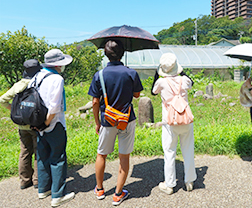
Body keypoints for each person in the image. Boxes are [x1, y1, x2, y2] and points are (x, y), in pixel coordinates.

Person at [88, 40, 143, 206]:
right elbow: (137, 95)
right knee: (124, 156)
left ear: (106, 54)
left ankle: (99, 189)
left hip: (107, 120)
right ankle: (118, 194)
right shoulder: (131, 73)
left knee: (101, 154)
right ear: (122, 54)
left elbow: (95, 102)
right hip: (126, 120)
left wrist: (97, 122)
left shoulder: (100, 75)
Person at [30, 49, 75, 207]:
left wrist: (39, 125)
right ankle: (57, 195)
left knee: (42, 156)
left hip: (37, 123)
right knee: (58, 157)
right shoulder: (57, 78)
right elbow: (54, 106)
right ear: (58, 64)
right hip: (54, 123)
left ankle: (43, 189)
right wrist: (47, 123)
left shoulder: (36, 76)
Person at [151, 53, 197, 195]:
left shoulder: (161, 82)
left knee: (169, 152)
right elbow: (191, 82)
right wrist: (180, 71)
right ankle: (189, 181)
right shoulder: (184, 80)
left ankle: (170, 184)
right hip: (186, 121)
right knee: (188, 150)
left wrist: (156, 73)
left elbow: (153, 92)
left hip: (169, 123)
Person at [0, 59, 41, 190]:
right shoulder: (38, 83)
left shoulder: (18, 85)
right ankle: (37, 180)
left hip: (21, 125)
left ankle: (24, 180)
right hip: (35, 124)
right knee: (38, 151)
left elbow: (2, 99)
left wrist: (14, 109)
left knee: (24, 151)